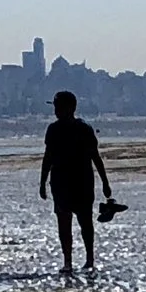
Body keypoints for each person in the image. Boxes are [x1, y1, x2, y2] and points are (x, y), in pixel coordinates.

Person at [40, 89, 113, 274]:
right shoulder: (53, 129)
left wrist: (105, 182)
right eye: (55, 106)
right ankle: (68, 262)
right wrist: (42, 182)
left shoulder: (84, 129)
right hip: (60, 183)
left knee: (85, 223)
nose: (56, 110)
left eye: (59, 106)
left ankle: (89, 259)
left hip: (82, 182)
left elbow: (95, 157)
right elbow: (47, 158)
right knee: (64, 223)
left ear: (70, 108)